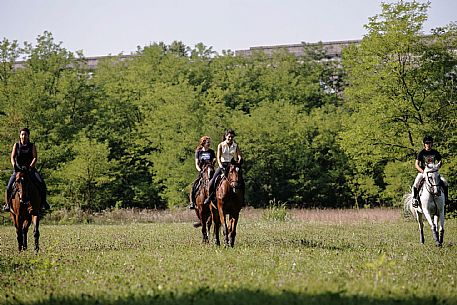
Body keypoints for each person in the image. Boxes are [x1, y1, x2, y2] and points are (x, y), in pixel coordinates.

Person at [3, 128, 50, 212]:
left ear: (28, 136)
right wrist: (14, 165)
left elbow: (35, 157)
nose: (24, 136)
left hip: (30, 170)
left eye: (25, 134)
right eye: (22, 134)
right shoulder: (16, 145)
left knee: (41, 183)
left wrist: (30, 166)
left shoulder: (32, 146)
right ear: (20, 135)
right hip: (18, 170)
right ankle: (7, 204)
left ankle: (43, 203)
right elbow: (12, 157)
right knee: (9, 186)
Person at [204, 129, 244, 208]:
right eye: (229, 137)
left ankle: (242, 199)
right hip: (223, 165)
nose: (230, 138)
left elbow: (239, 155)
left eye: (232, 137)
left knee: (241, 180)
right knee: (212, 181)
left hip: (232, 165)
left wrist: (239, 159)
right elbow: (218, 157)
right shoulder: (221, 145)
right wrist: (220, 165)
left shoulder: (235, 145)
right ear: (226, 136)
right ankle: (210, 197)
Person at [411, 135, 447, 208]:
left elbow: (440, 161)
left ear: (432, 144)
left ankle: (446, 198)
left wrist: (436, 168)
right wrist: (423, 172)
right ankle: (415, 199)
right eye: (427, 143)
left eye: (430, 143)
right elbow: (416, 164)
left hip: (433, 172)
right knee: (416, 183)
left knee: (445, 181)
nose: (428, 144)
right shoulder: (421, 153)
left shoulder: (435, 152)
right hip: (423, 172)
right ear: (424, 144)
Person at [189, 136, 216, 209]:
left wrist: (213, 164)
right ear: (203, 143)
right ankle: (192, 202)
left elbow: (214, 160)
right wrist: (200, 170)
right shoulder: (199, 152)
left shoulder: (211, 152)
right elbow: (197, 163)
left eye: (209, 142)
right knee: (194, 185)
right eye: (208, 142)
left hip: (210, 170)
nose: (209, 143)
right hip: (202, 171)